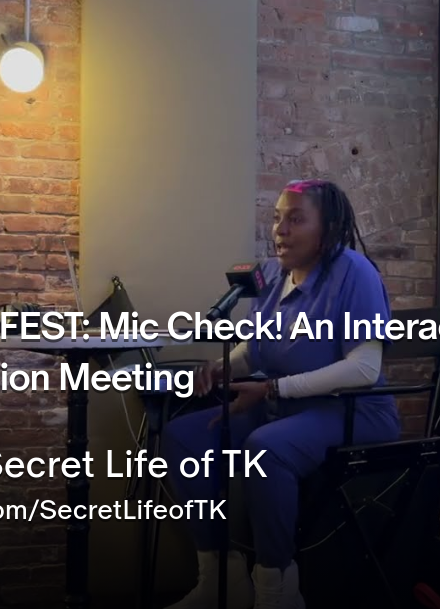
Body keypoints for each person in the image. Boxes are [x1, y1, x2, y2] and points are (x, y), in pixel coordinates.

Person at [161, 179, 400, 609]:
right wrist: (221, 367)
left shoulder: (354, 272)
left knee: (264, 449)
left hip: (352, 410)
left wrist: (273, 387)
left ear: (326, 228)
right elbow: (255, 347)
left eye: (295, 219)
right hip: (283, 405)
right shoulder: (271, 274)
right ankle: (222, 580)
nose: (280, 230)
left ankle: (277, 590)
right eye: (276, 219)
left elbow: (365, 368)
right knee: (184, 437)